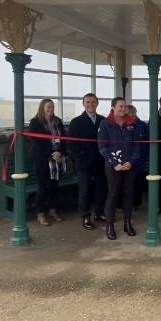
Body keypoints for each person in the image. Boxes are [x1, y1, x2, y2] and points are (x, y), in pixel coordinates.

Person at [98, 97, 146, 240]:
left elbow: (138, 145)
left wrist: (131, 162)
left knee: (129, 195)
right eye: (120, 106)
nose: (123, 109)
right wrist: (114, 163)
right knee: (113, 194)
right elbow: (102, 147)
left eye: (124, 106)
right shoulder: (105, 124)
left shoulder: (132, 123)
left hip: (129, 166)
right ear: (113, 107)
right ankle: (109, 225)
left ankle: (127, 223)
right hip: (113, 166)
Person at [67, 93, 107, 230]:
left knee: (101, 189)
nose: (91, 105)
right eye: (88, 102)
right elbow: (72, 144)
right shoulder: (76, 122)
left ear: (97, 103)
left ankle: (99, 213)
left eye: (93, 102)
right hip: (84, 163)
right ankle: (85, 216)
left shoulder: (103, 120)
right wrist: (82, 156)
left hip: (100, 161)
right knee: (84, 190)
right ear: (83, 104)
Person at [27, 99, 67, 226]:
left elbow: (64, 138)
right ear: (42, 108)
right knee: (43, 187)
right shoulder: (35, 122)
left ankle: (52, 210)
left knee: (54, 186)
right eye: (48, 107)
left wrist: (60, 152)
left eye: (52, 107)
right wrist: (51, 153)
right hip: (43, 160)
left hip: (57, 160)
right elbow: (36, 142)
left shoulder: (57, 121)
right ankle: (40, 213)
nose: (51, 109)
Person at [126, 104, 149, 211]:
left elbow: (148, 141)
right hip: (126, 159)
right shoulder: (123, 125)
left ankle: (136, 204)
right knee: (126, 184)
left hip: (140, 159)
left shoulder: (142, 125)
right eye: (127, 113)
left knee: (137, 182)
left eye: (131, 112)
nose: (130, 115)